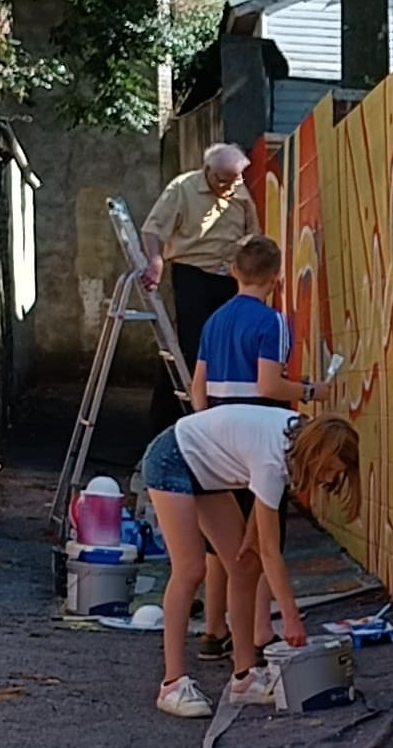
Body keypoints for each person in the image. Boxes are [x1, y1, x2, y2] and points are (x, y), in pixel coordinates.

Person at [139, 404, 356, 717]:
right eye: (330, 469)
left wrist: (251, 533)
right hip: (172, 459)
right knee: (190, 569)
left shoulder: (295, 440)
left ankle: (244, 677)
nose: (331, 478)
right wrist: (290, 616)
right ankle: (172, 683)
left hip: (207, 472)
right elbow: (271, 550)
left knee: (244, 564)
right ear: (318, 454)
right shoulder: (273, 456)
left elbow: (262, 502)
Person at [137, 143, 255, 430]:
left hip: (229, 277)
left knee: (224, 348)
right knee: (191, 349)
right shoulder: (183, 188)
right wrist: (155, 261)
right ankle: (172, 424)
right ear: (208, 171)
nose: (230, 186)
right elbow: (152, 229)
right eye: (224, 180)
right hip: (193, 274)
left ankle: (213, 422)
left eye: (236, 179)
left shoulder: (239, 190)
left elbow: (253, 231)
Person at [193, 233, 299, 406]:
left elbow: (198, 388)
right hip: (260, 421)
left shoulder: (214, 320)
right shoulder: (273, 320)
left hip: (218, 421)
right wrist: (310, 391)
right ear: (275, 278)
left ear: (234, 270)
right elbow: (269, 387)